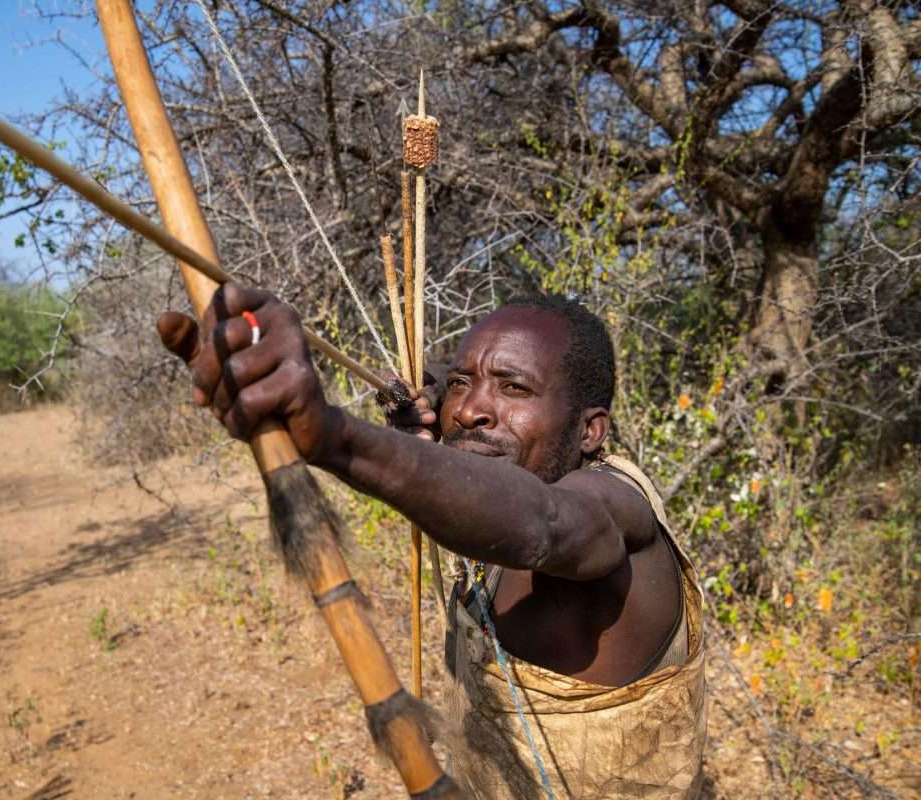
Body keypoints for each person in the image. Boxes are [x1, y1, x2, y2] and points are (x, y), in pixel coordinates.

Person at [156, 285, 705, 799]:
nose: (468, 411)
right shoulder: (497, 454)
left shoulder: (615, 510)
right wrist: (434, 391)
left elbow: (547, 523)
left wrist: (331, 433)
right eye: (463, 386)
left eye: (515, 389)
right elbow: (463, 424)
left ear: (591, 430)